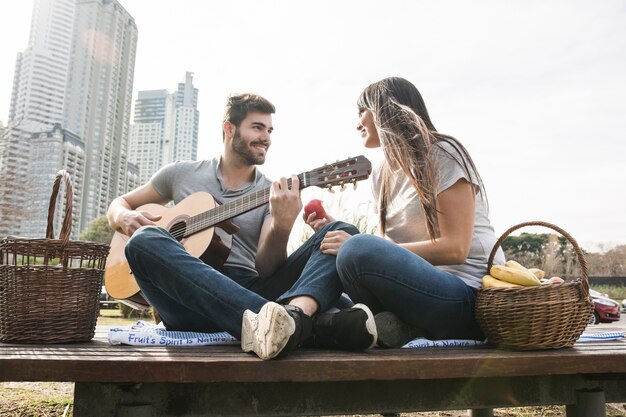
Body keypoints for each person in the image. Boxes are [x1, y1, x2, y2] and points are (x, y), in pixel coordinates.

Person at [107, 93, 377, 360]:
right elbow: (120, 203)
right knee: (143, 240)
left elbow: (266, 268)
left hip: (248, 286)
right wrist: (122, 216)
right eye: (257, 127)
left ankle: (287, 322)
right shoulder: (180, 173)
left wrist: (282, 226)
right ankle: (298, 324)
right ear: (229, 128)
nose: (266, 138)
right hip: (185, 298)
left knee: (343, 232)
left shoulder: (272, 191)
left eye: (270, 130)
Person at [313, 77, 505, 348]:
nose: (358, 123)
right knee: (341, 243)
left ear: (383, 110)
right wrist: (338, 233)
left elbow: (455, 249)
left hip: (467, 297)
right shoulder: (382, 173)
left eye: (362, 112)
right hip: (415, 295)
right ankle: (396, 326)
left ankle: (348, 324)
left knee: (356, 248)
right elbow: (391, 249)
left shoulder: (442, 152)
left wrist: (359, 247)